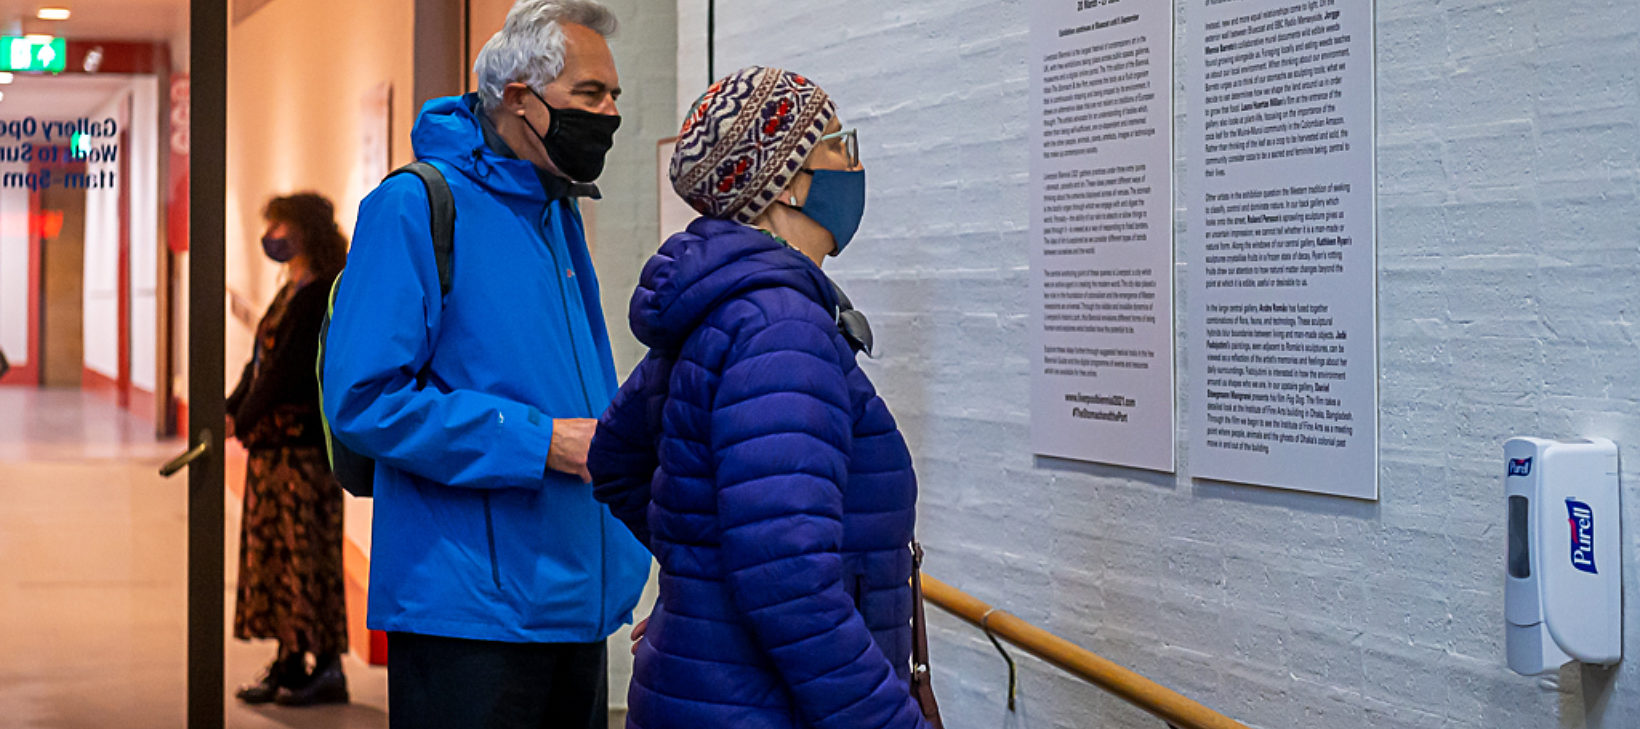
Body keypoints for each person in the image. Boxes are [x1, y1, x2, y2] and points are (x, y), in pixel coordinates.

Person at [320, 1, 650, 727]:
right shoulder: (414, 206)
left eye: (615, 95)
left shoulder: (555, 209)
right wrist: (540, 441)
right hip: (467, 613)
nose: (610, 114)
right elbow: (364, 398)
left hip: (573, 601)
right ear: (519, 98)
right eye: (591, 95)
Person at [590, 66, 932, 729]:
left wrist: (699, 584)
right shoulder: (783, 329)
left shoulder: (728, 310)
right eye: (836, 142)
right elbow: (791, 578)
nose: (852, 161)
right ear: (791, 184)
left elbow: (613, 456)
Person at [227, 192, 350, 707]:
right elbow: (262, 360)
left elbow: (289, 371)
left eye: (279, 224)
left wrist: (245, 414)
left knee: (306, 560)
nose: (272, 235)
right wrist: (233, 405)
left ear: (303, 231)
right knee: (279, 559)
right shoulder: (291, 288)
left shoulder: (321, 292)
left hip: (303, 454)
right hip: (273, 452)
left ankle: (322, 666)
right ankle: (286, 659)